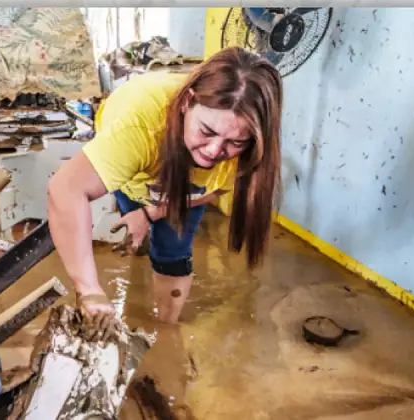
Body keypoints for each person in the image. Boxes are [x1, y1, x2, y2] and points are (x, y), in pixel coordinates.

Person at [47, 47, 284, 332]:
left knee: (173, 250)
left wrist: (151, 213)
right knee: (131, 222)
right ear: (186, 102)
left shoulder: (250, 153)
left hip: (182, 185)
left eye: (234, 142)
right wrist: (90, 290)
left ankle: (165, 328)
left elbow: (214, 190)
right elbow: (65, 188)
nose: (214, 151)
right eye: (207, 131)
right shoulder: (138, 129)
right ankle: (138, 238)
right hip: (137, 161)